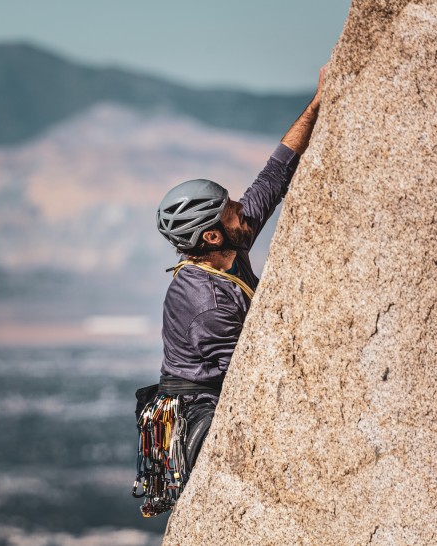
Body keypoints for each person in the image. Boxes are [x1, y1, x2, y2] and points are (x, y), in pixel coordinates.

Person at [133, 65, 326, 517]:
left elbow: (274, 176)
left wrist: (317, 104)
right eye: (231, 209)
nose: (242, 208)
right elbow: (255, 368)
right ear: (213, 236)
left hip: (211, 393)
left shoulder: (227, 249)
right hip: (195, 413)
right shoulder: (209, 304)